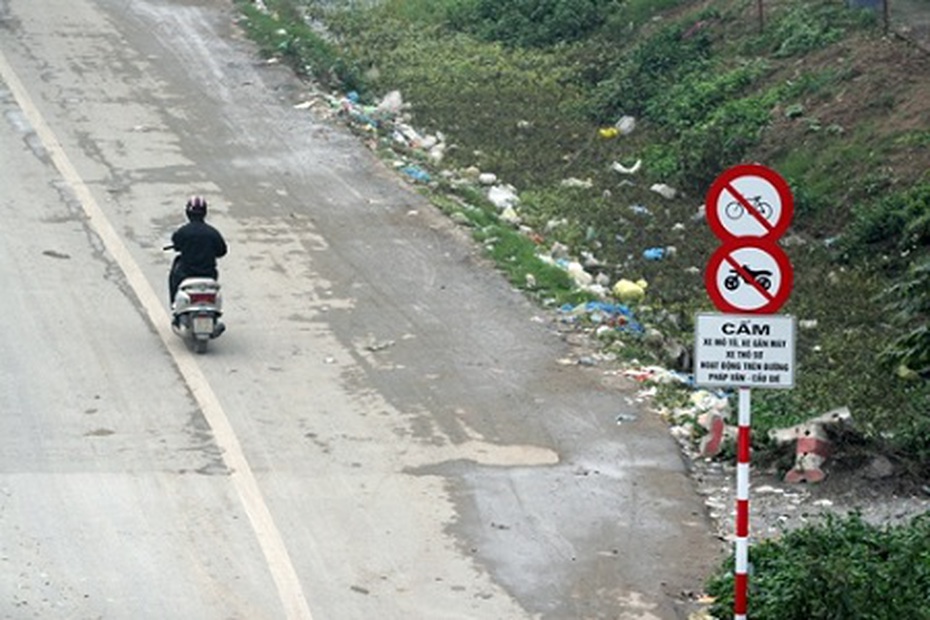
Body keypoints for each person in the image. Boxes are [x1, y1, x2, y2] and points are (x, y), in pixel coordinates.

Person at [168, 196, 228, 314]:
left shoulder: (183, 231)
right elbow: (222, 251)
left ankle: (174, 304)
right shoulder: (212, 232)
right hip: (208, 273)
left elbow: (176, 243)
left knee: (173, 274)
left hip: (186, 273)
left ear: (188, 213)